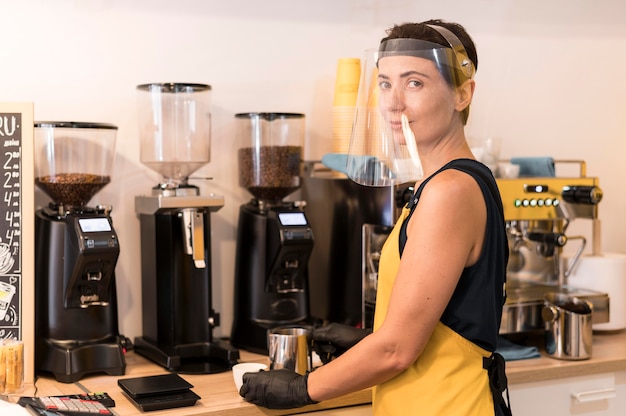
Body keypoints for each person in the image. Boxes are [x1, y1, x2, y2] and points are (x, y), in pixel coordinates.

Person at [240, 19, 511, 416]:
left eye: (414, 83)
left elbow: (398, 351)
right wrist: (363, 338)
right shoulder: (441, 184)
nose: (392, 102)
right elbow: (439, 322)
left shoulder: (450, 191)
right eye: (385, 83)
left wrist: (302, 388)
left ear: (462, 94)